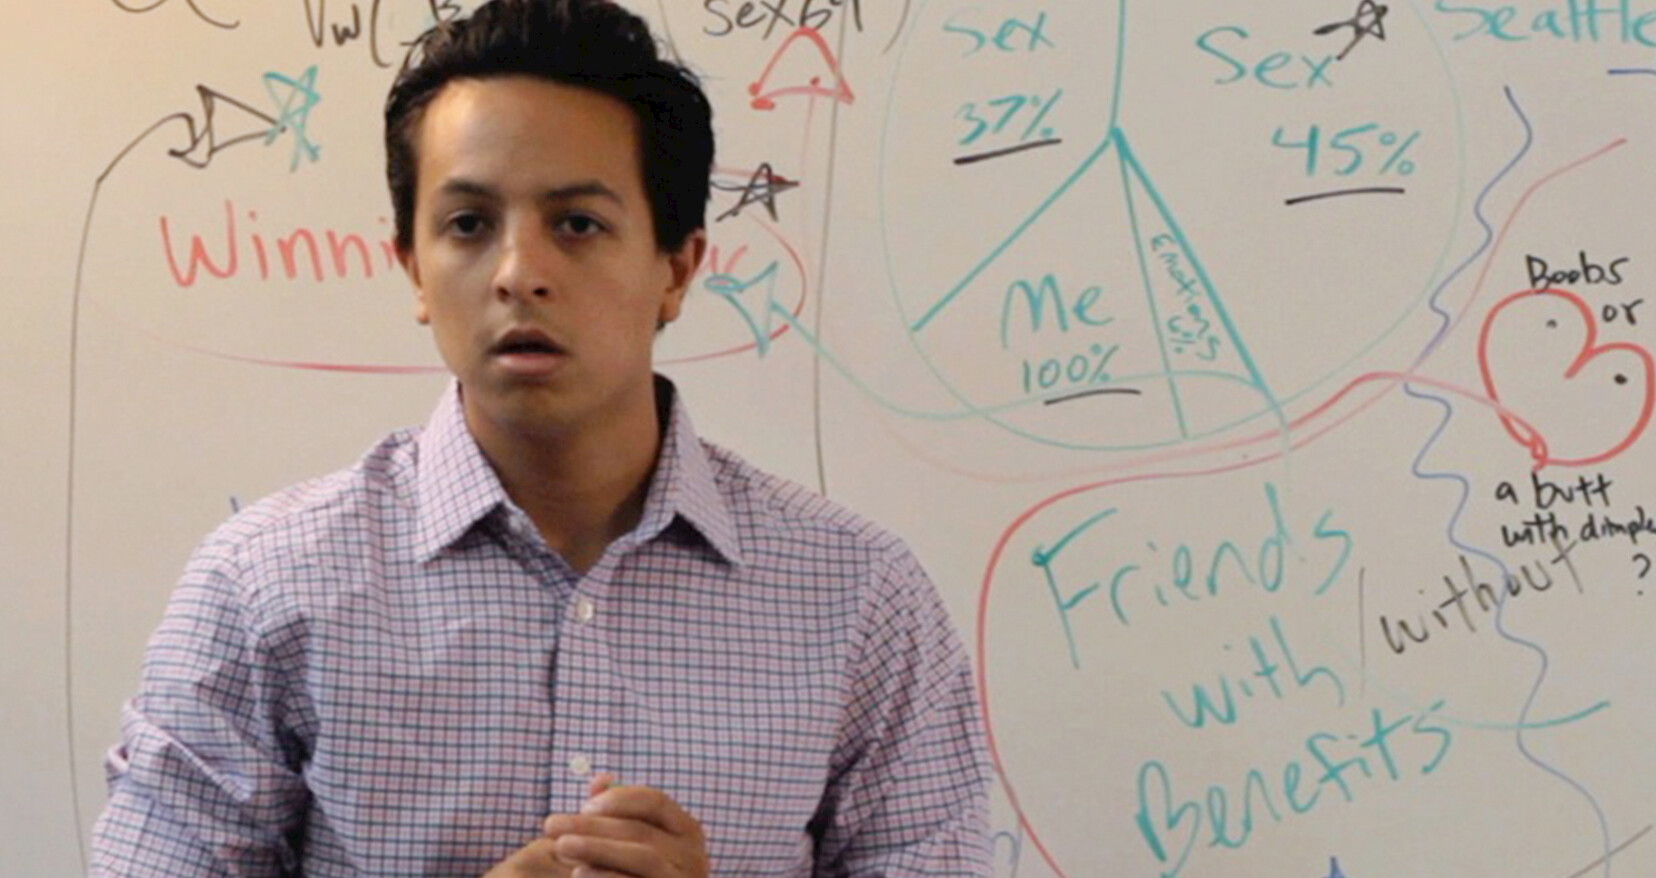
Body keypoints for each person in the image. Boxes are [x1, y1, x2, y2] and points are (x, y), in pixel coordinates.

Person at [87, 1, 992, 875]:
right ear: (413, 268)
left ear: (677, 269)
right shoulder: (263, 586)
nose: (520, 273)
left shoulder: (858, 599)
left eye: (578, 224)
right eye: (469, 225)